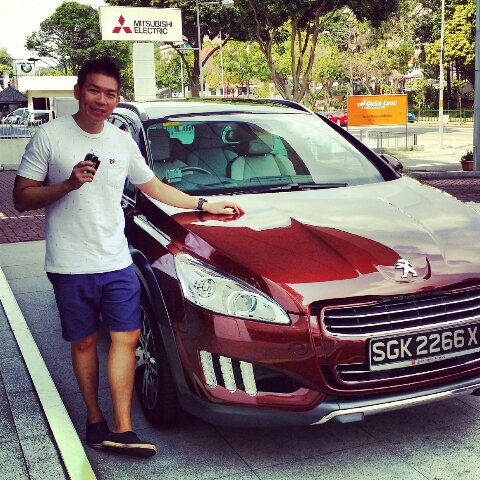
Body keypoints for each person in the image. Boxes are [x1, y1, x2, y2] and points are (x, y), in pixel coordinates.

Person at [13, 57, 243, 459]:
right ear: (78, 92)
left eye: (110, 94)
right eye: (94, 90)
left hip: (117, 260)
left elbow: (153, 186)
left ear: (117, 99)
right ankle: (94, 419)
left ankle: (123, 427)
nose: (101, 100)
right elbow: (21, 197)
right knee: (85, 341)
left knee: (126, 337)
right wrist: (67, 184)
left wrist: (203, 204)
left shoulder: (121, 140)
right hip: (70, 264)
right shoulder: (49, 137)